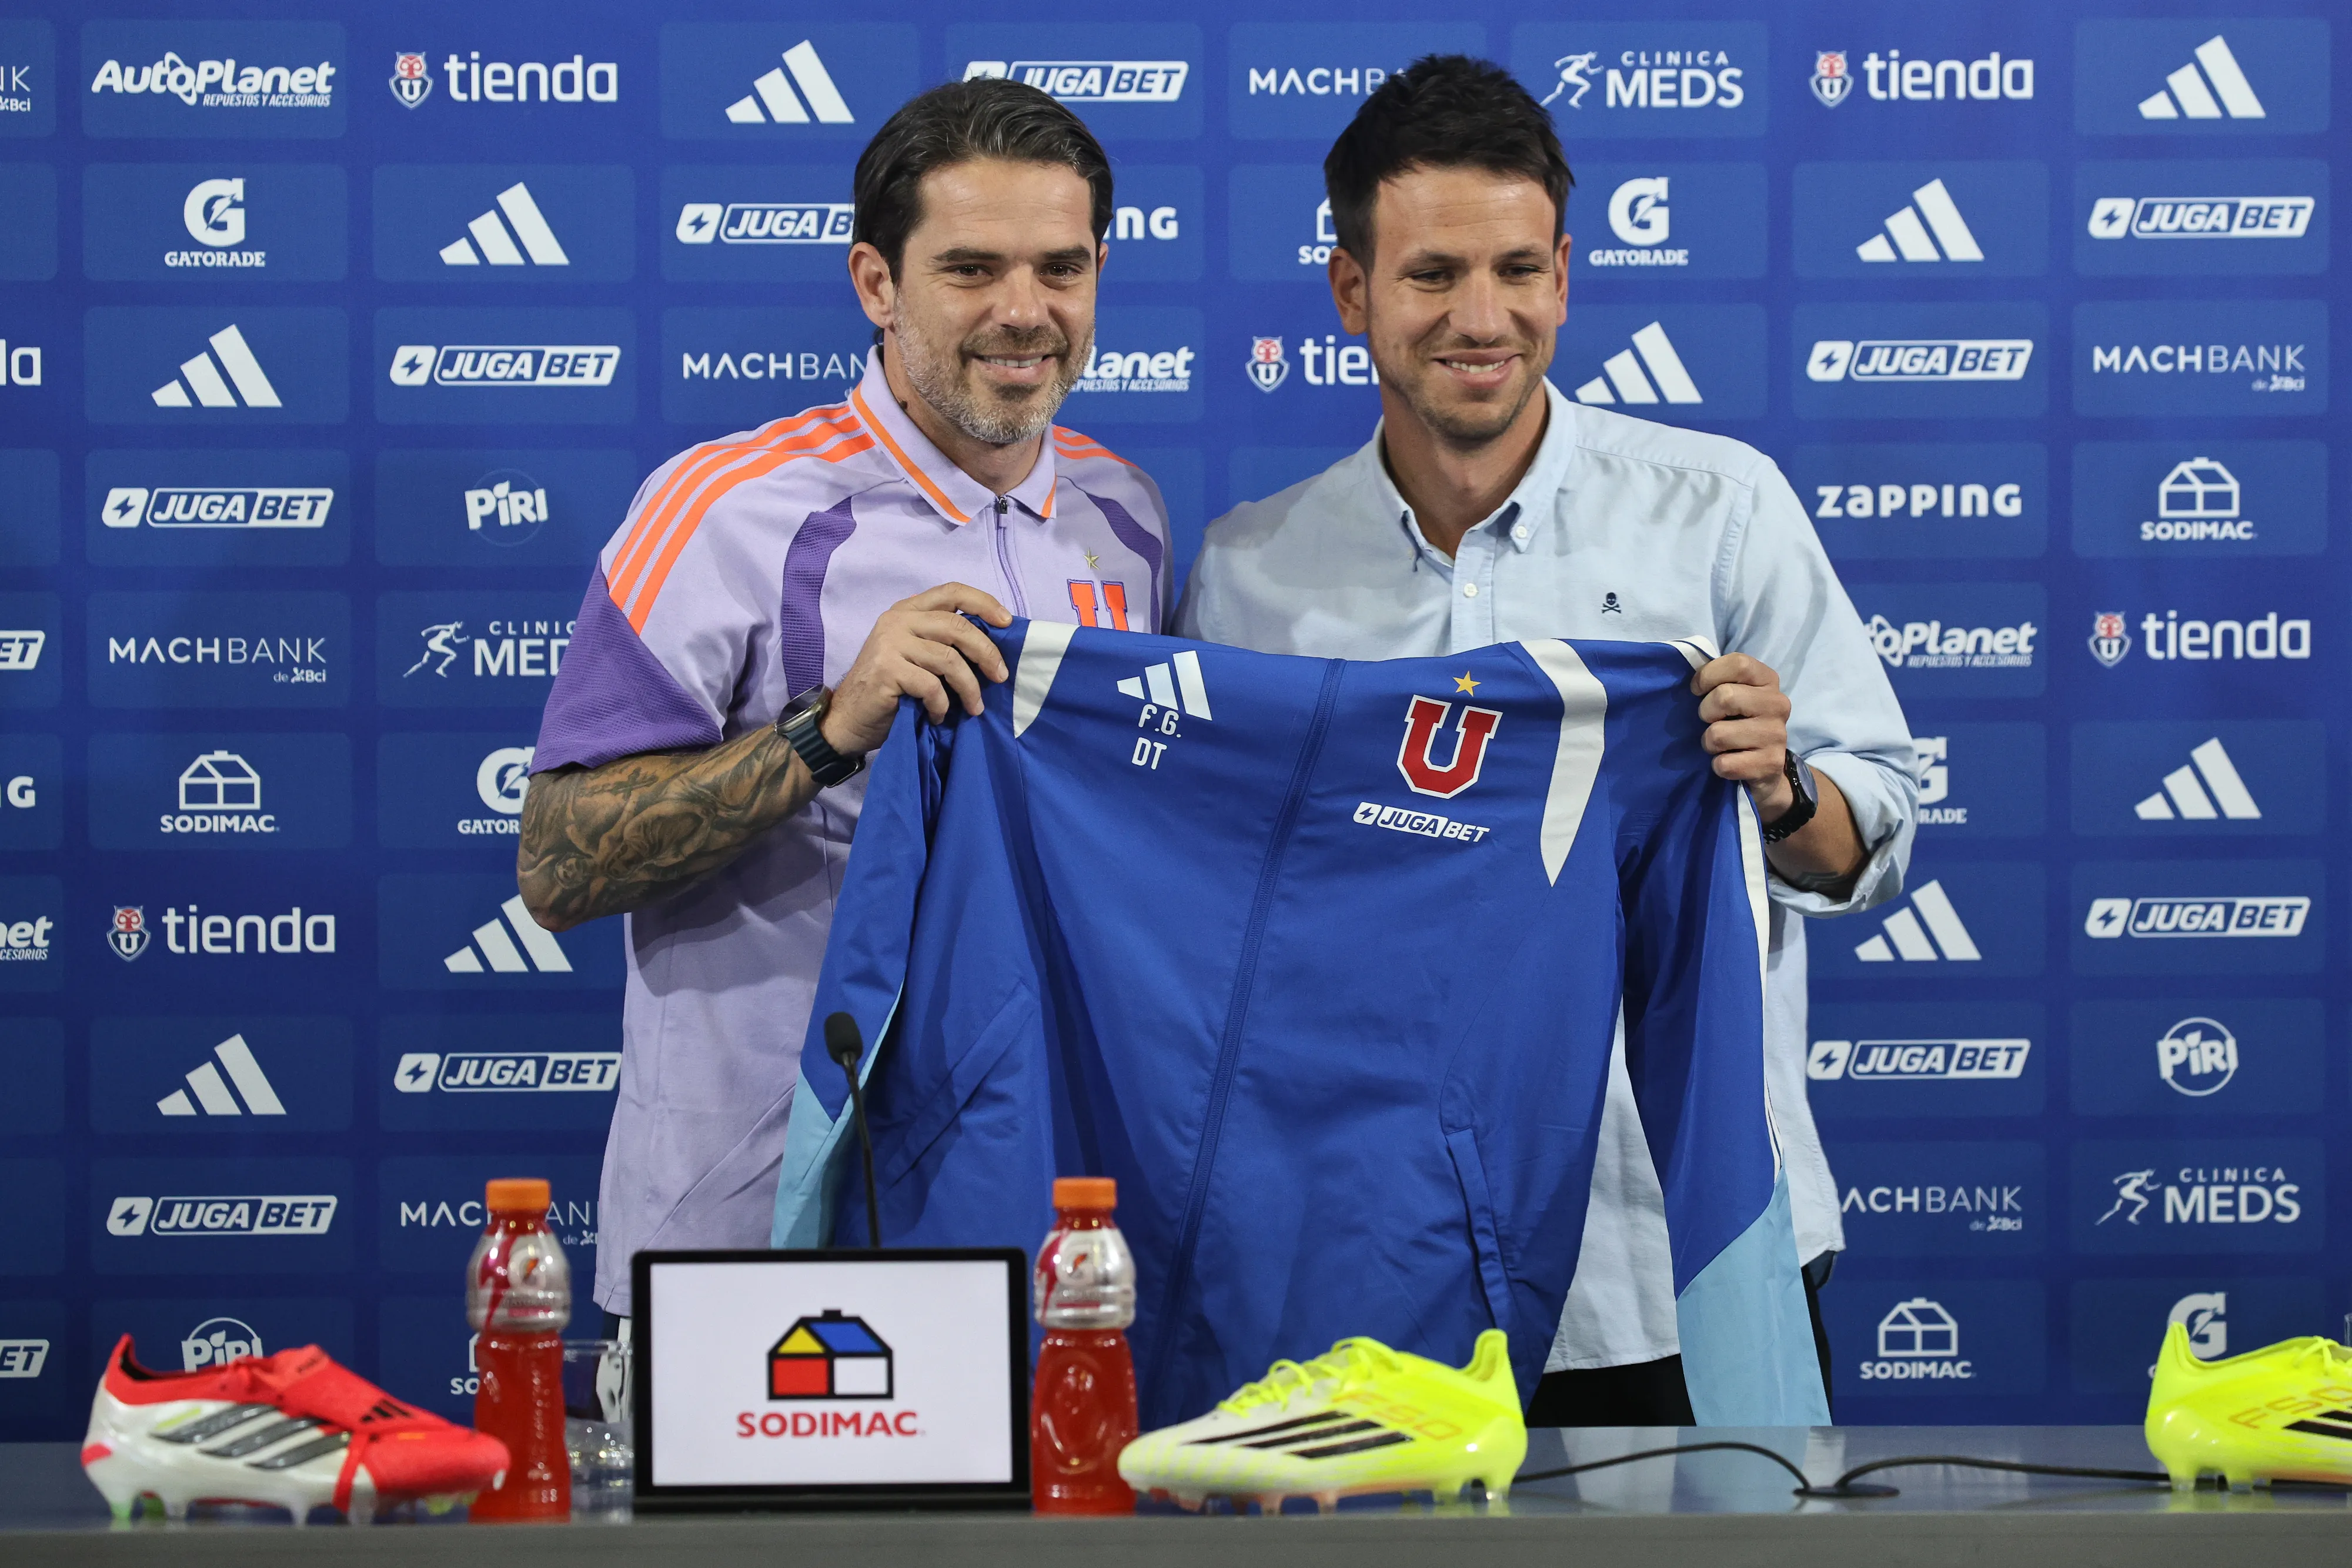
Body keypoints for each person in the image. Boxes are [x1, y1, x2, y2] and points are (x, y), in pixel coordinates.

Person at [1177, 55, 1916, 1424]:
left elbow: (1868, 836)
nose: (1482, 317)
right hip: (1367, 1261)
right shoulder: (1247, 575)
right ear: (1350, 291)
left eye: (1517, 270)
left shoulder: (1720, 511)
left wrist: (1777, 786)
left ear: (1564, 276)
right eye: (1431, 274)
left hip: (1680, 1252)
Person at [516, 79, 1172, 1329]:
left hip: (1034, 1207)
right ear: (877, 282)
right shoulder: (722, 507)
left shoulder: (1127, 515)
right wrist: (828, 729)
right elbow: (555, 863)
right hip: (747, 1227)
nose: (1024, 312)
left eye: (1061, 268)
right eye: (970, 269)